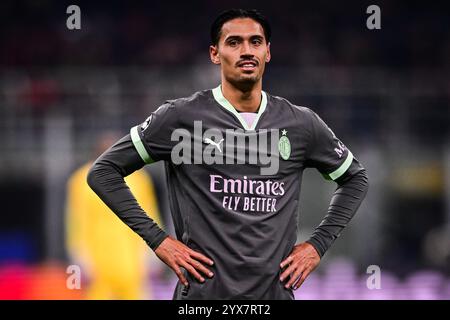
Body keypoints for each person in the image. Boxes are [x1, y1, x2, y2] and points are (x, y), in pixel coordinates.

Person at [87, 9, 369, 300]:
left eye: (255, 42)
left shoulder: (300, 124)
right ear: (215, 53)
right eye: (234, 42)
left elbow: (355, 179)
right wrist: (159, 241)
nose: (246, 51)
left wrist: (317, 245)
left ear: (268, 52)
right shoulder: (180, 118)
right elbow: (104, 171)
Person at [66, 132, 163, 299]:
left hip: (132, 262)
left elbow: (150, 216)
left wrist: (152, 254)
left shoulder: (139, 179)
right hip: (98, 264)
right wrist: (80, 257)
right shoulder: (80, 181)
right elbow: (76, 223)